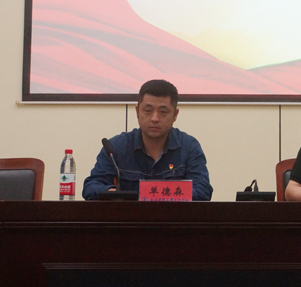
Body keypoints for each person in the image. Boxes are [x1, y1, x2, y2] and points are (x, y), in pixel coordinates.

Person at [83, 79, 212, 201]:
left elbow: (203, 190)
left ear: (175, 115)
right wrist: (114, 194)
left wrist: (161, 195)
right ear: (137, 111)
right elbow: (91, 186)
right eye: (148, 111)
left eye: (163, 112)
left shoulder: (189, 147)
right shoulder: (115, 147)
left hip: (173, 216)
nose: (154, 118)